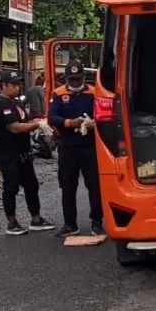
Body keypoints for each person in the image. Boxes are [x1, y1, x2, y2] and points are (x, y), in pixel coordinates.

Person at [0, 71, 54, 235]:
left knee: (32, 186)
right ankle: (12, 223)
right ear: (4, 85)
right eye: (13, 85)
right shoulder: (1, 104)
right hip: (8, 153)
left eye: (18, 84)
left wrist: (37, 122)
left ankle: (36, 219)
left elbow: (25, 122)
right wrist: (37, 125)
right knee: (11, 188)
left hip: (24, 152)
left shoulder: (17, 102)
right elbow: (14, 127)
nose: (17, 87)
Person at [47, 61, 104, 237]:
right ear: (66, 78)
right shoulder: (59, 93)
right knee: (68, 186)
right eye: (72, 79)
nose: (75, 82)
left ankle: (97, 222)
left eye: (78, 79)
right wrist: (69, 123)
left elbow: (103, 113)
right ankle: (70, 224)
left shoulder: (93, 92)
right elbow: (51, 117)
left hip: (89, 146)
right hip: (67, 146)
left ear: (83, 77)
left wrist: (93, 122)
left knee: (94, 186)